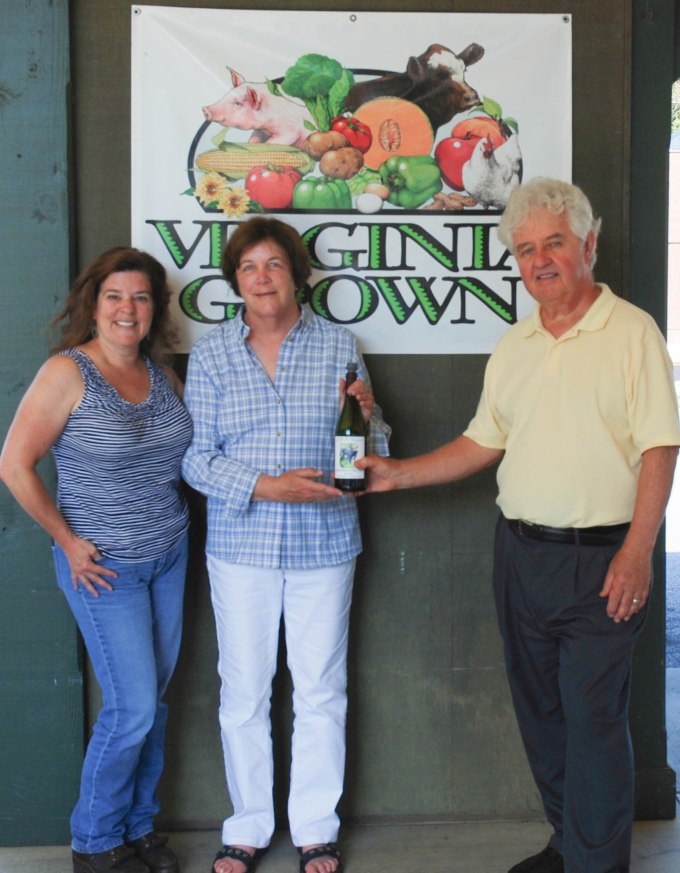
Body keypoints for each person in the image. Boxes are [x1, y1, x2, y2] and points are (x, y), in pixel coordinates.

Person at [358, 178, 680, 873]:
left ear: (588, 245)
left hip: (604, 561)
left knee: (594, 722)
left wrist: (639, 551)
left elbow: (662, 445)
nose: (539, 261)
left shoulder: (633, 333)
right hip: (520, 555)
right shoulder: (517, 342)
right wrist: (396, 474)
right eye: (526, 249)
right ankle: (569, 844)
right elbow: (483, 441)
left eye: (554, 243)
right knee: (542, 714)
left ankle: (598, 864)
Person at [181, 217, 390, 873]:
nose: (262, 277)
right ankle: (247, 826)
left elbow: (373, 452)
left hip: (324, 544)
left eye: (273, 264)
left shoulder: (339, 344)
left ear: (297, 275)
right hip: (240, 546)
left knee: (321, 690)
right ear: (235, 280)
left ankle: (315, 830)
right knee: (243, 692)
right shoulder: (212, 354)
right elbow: (196, 460)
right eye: (248, 267)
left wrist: (370, 413)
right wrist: (268, 486)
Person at [0, 248, 193, 873]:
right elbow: (14, 465)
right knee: (131, 707)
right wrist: (66, 540)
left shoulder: (164, 378)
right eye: (114, 296)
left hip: (168, 554)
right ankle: (94, 840)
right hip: (102, 566)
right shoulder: (68, 372)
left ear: (155, 308)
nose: (127, 309)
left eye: (140, 297)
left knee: (151, 704)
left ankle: (138, 827)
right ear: (94, 303)